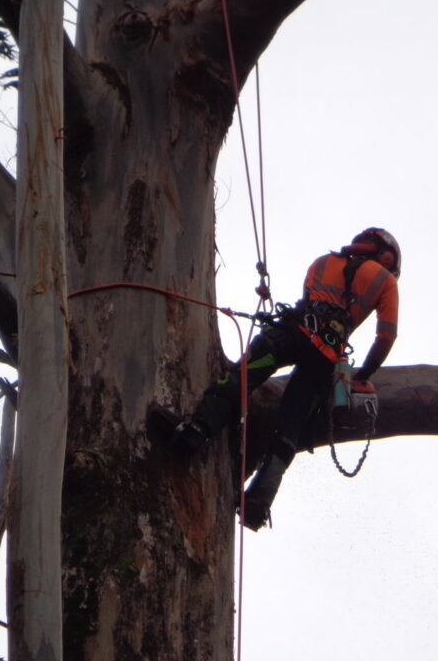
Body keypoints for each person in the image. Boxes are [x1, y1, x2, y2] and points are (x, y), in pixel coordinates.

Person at [164, 228, 400, 531]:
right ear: (386, 256)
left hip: (290, 334)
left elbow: (307, 302)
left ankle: (197, 430)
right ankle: (258, 503)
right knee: (292, 424)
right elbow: (386, 337)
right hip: (325, 360)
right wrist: (363, 375)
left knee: (242, 377)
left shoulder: (322, 262)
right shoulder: (386, 281)